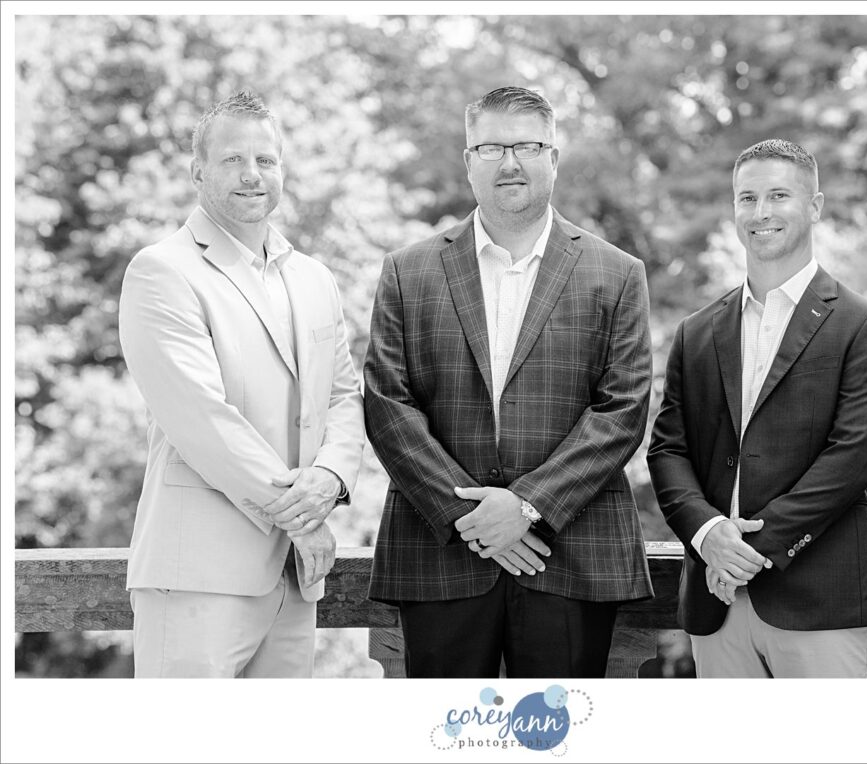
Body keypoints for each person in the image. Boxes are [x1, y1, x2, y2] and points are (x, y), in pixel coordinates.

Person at [364, 86, 653, 678]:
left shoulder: (617, 273)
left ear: (553, 156)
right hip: (440, 550)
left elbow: (622, 410)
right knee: (446, 740)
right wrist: (473, 518)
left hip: (570, 551)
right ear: (468, 161)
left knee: (559, 742)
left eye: (526, 145)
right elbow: (387, 402)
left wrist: (526, 507)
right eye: (491, 147)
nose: (510, 162)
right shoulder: (407, 270)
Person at [118, 90, 365, 677]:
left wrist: (330, 478)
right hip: (197, 576)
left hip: (295, 579)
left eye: (266, 160)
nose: (252, 175)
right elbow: (203, 420)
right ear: (199, 171)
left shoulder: (315, 278)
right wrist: (302, 518)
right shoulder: (162, 271)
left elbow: (343, 398)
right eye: (233, 160)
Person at [647, 138, 867, 678]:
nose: (760, 213)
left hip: (818, 602)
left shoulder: (863, 325)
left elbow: (852, 460)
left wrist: (748, 550)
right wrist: (706, 533)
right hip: (714, 602)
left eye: (779, 196)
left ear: (814, 206)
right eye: (747, 198)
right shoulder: (696, 332)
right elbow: (668, 449)